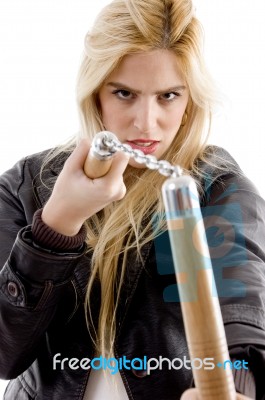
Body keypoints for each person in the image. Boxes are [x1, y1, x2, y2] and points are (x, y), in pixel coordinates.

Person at [0, 0, 264, 399]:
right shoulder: (25, 186)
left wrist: (237, 389)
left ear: (189, 99)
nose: (146, 122)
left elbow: (242, 314)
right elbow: (5, 356)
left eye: (168, 96)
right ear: (95, 94)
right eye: (124, 93)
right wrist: (55, 226)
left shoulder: (217, 187)